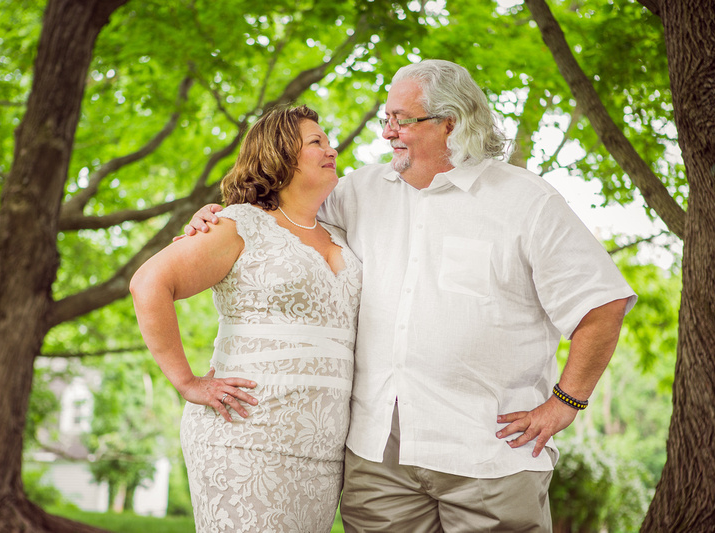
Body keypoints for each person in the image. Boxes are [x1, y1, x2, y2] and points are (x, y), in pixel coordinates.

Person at [185, 60, 636, 532]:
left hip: (488, 452)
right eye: (386, 118)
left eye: (402, 119)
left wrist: (566, 401)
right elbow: (278, 215)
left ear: (451, 123)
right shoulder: (357, 191)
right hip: (377, 458)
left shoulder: (527, 201)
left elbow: (600, 303)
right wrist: (218, 217)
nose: (388, 132)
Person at [130, 105, 362, 533]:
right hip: (246, 438)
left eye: (328, 141)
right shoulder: (239, 224)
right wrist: (187, 382)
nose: (331, 150)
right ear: (280, 153)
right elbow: (149, 284)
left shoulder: (344, 236)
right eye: (317, 142)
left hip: (325, 450)